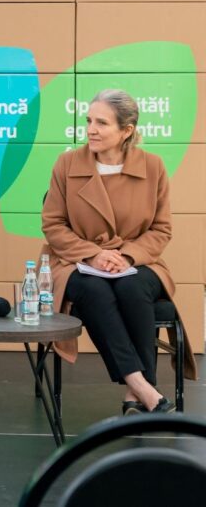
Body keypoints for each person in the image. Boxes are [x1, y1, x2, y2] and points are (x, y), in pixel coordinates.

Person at [42, 89, 196, 416]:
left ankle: (134, 393)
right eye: (88, 121)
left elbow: (161, 229)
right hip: (75, 261)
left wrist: (126, 256)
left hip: (138, 260)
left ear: (126, 131)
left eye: (102, 123)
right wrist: (93, 254)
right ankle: (143, 387)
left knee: (131, 285)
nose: (91, 129)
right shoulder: (67, 164)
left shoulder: (152, 167)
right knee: (95, 289)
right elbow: (53, 225)